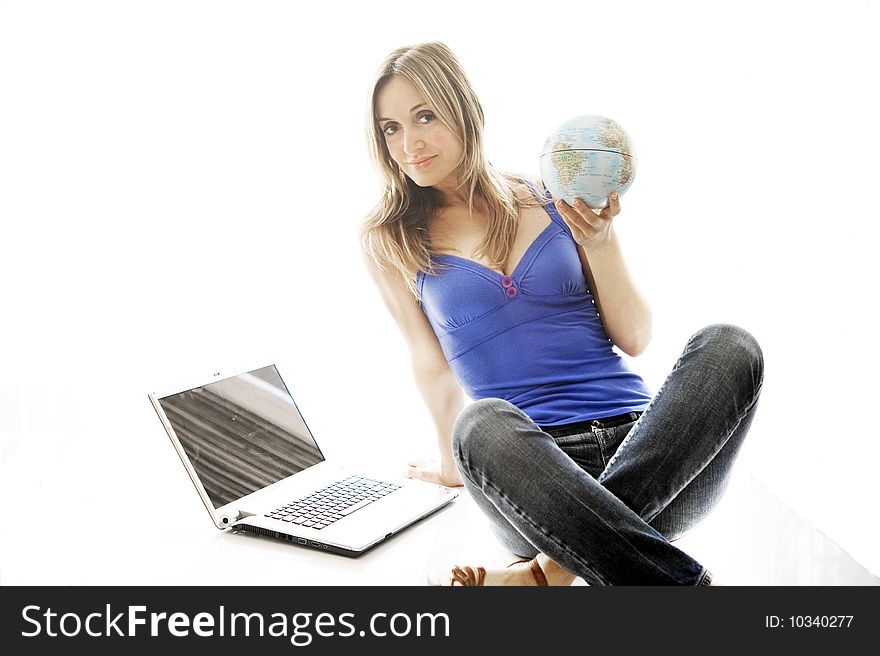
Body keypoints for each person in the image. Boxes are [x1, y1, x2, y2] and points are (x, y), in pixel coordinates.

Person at [360, 41, 764, 586]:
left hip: (651, 453)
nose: (409, 144)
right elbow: (429, 364)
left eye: (424, 116)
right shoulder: (391, 239)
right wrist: (455, 465)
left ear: (463, 109)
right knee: (480, 424)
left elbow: (636, 337)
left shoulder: (553, 194)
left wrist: (601, 241)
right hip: (530, 482)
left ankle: (544, 576)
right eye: (390, 128)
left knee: (730, 345)